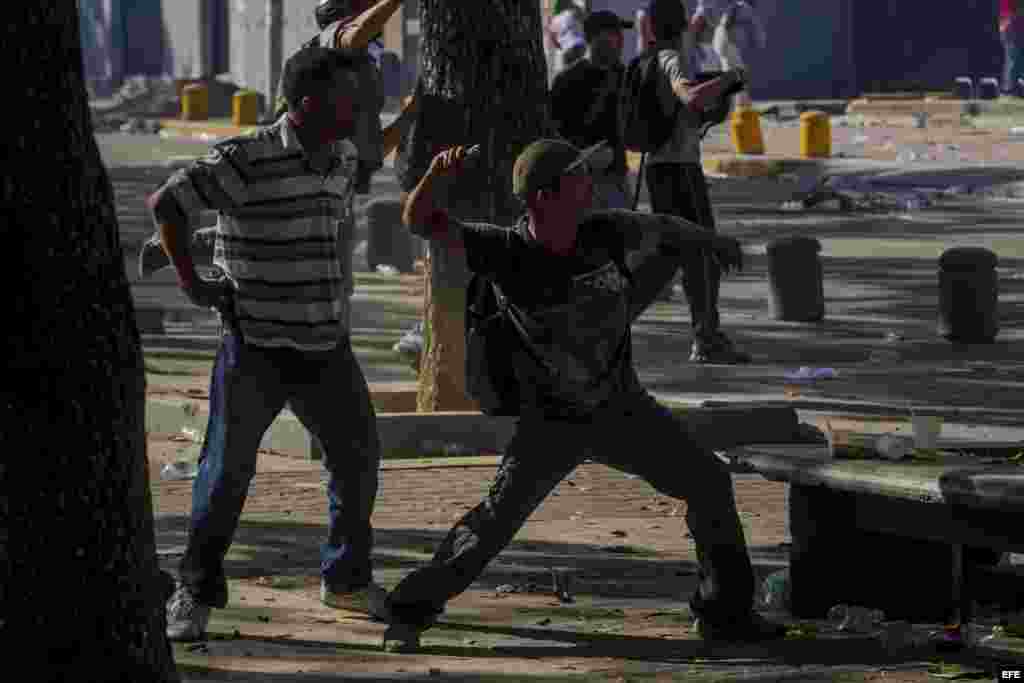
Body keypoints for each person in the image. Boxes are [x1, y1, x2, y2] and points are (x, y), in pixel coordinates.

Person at [379, 138, 787, 653]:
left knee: (708, 481)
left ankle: (726, 614)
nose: (590, 186)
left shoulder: (605, 231)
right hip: (553, 422)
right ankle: (409, 609)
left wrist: (712, 241)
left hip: (623, 409)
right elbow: (420, 222)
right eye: (578, 178)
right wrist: (436, 175)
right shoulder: (506, 250)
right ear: (545, 197)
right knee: (493, 524)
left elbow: (664, 226)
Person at [149, 47, 390, 643]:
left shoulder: (342, 157)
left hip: (326, 347)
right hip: (254, 345)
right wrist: (191, 282)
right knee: (226, 471)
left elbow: (307, 221)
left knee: (357, 460)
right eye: (344, 98)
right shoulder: (246, 157)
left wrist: (218, 245)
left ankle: (346, 580)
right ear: (306, 103)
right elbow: (167, 202)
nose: (355, 108)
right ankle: (194, 591)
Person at [644, 0, 751, 364]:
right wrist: (729, 79)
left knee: (675, 253)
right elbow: (689, 97)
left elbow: (683, 113)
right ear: (682, 23)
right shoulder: (670, 58)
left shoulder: (650, 57)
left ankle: (704, 333)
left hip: (665, 167)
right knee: (700, 253)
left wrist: (711, 108)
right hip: (678, 170)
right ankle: (707, 338)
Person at [550, 10, 635, 211]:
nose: (622, 40)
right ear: (596, 38)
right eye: (615, 33)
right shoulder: (566, 80)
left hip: (617, 179)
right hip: (579, 182)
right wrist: (584, 156)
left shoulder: (625, 76)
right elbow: (554, 131)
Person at [689, 0, 764, 108]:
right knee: (728, 73)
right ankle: (739, 105)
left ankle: (734, 105)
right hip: (714, 41)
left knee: (726, 73)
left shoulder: (739, 7)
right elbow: (698, 21)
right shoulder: (737, 7)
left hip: (717, 40)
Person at [547, 0, 589, 79]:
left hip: (569, 48)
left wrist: (560, 45)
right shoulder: (574, 11)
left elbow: (553, 37)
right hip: (578, 46)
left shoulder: (556, 18)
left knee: (570, 72)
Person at [1002, 0, 1024, 97]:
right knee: (1015, 62)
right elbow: (1005, 14)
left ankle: (1014, 87)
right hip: (1015, 32)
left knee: (1016, 62)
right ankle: (1012, 87)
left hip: (1016, 30)